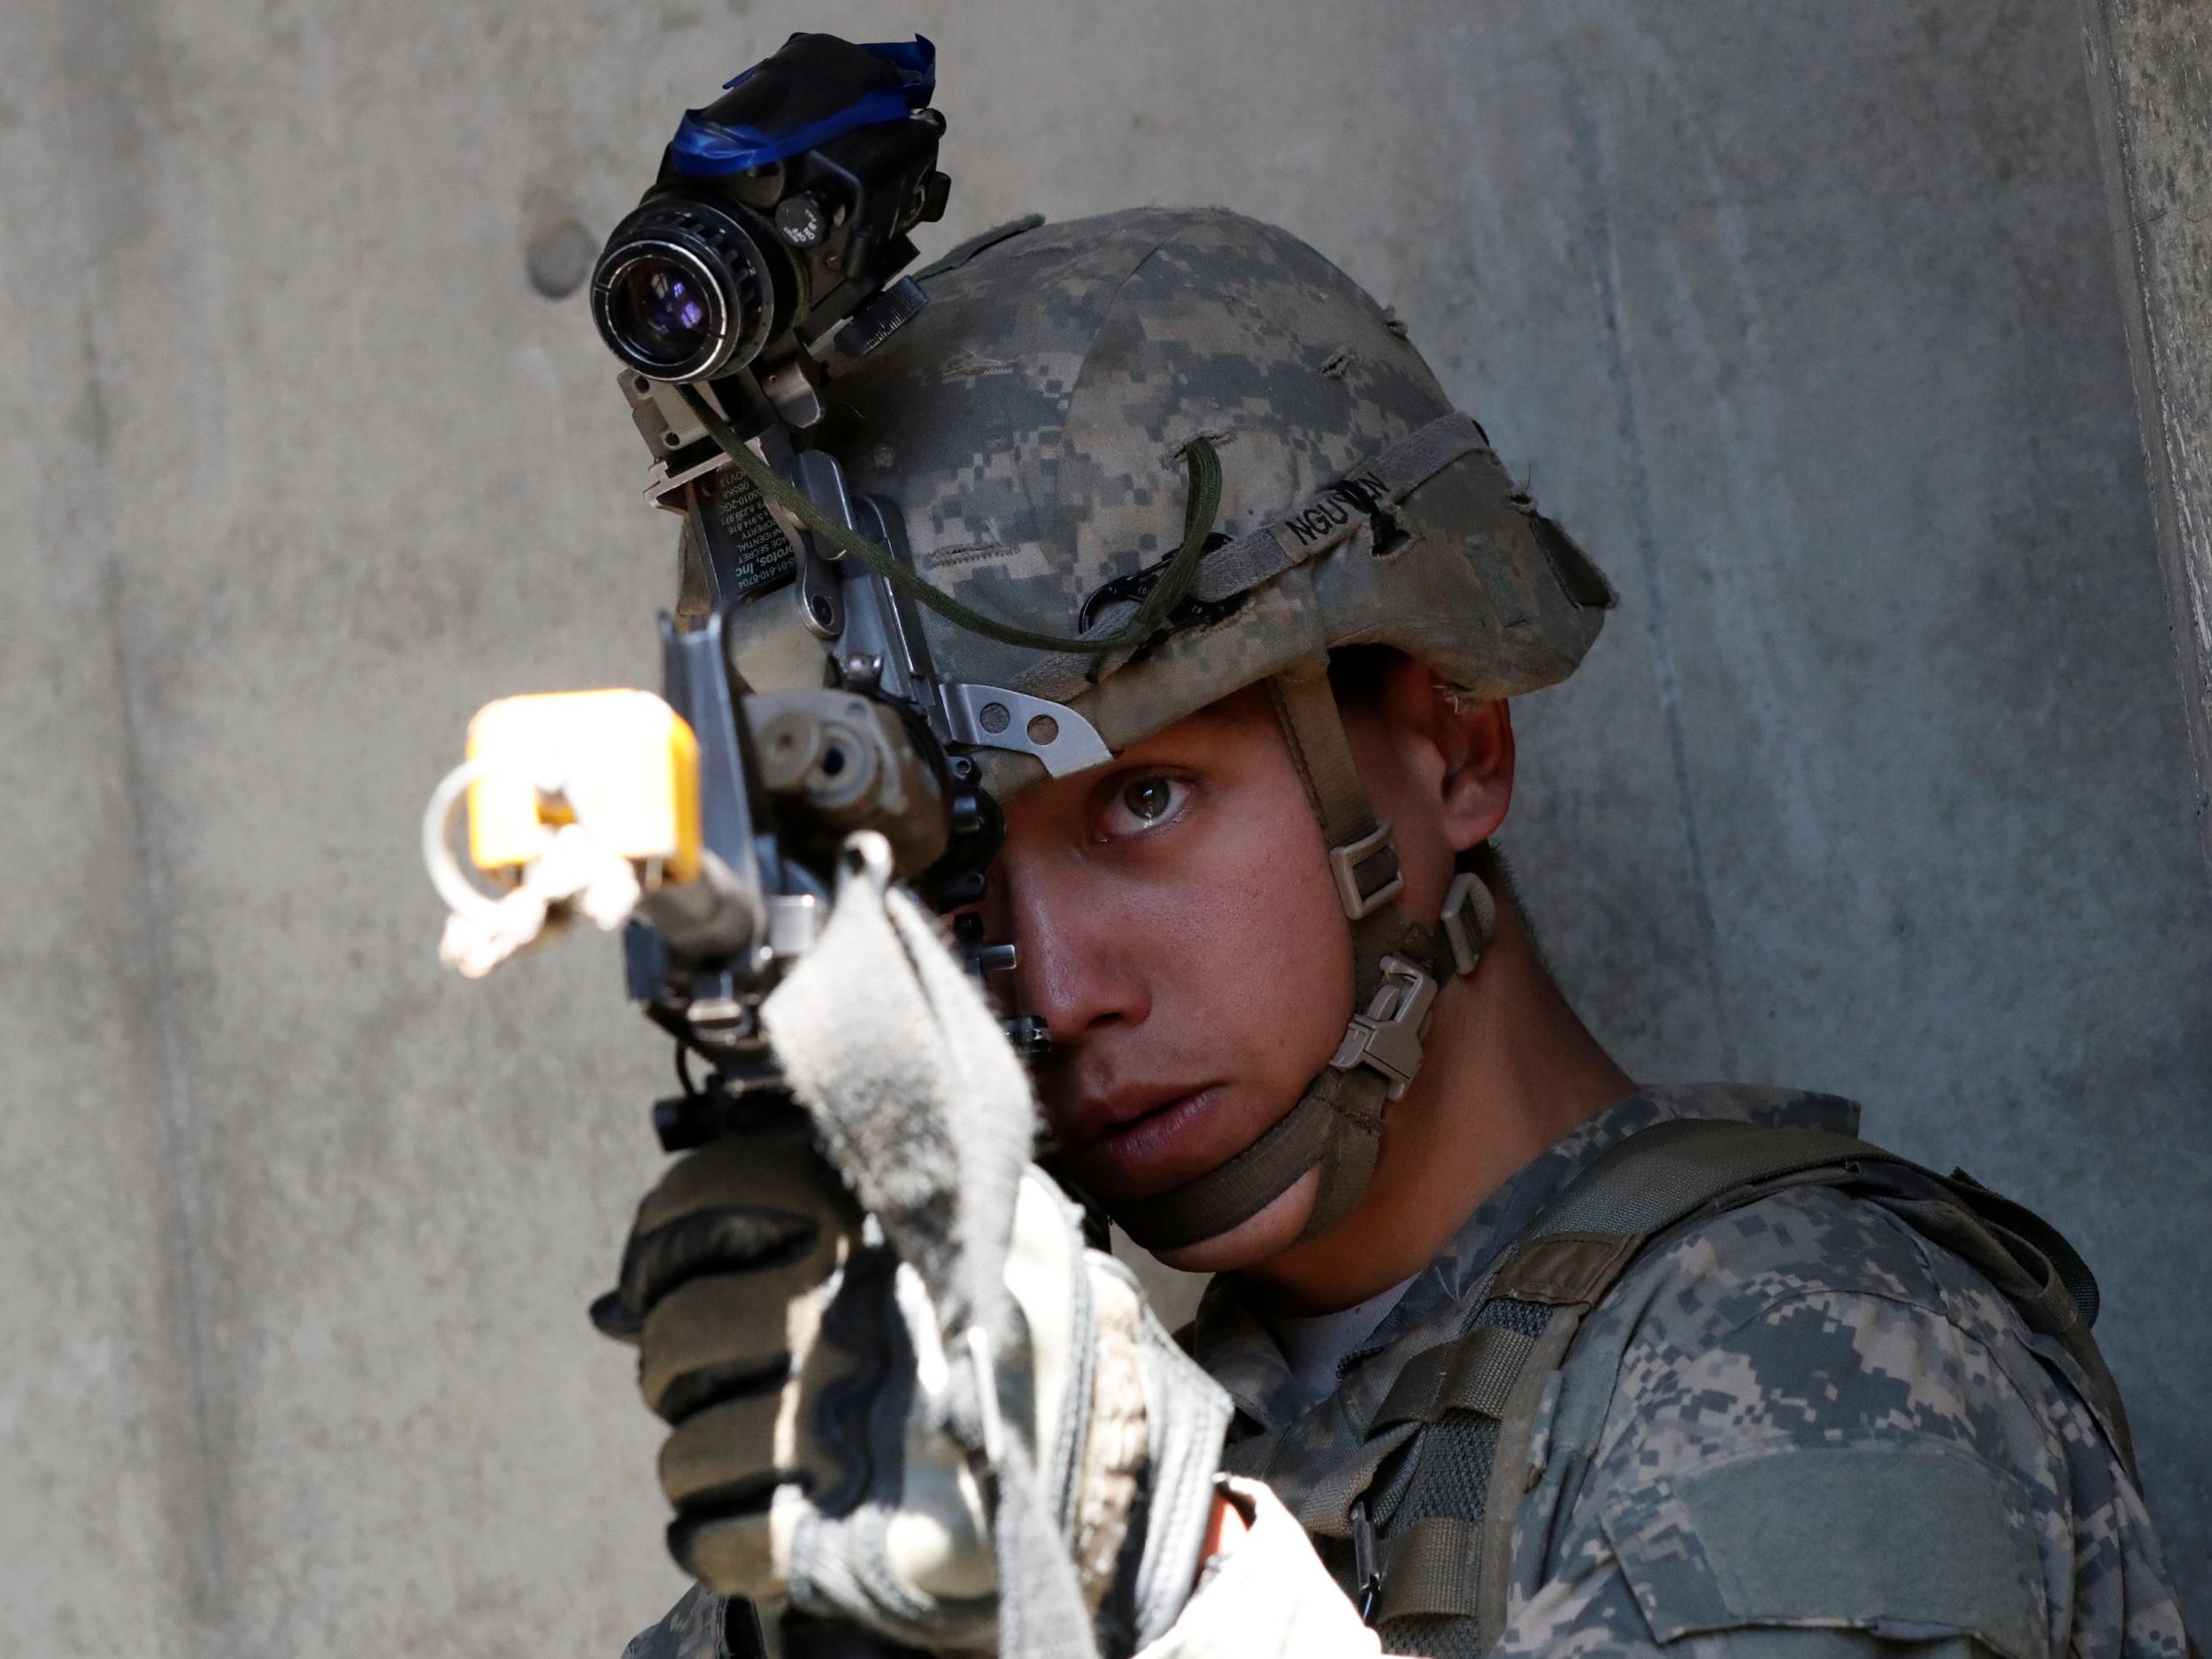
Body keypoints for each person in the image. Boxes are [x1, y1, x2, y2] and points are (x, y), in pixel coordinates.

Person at [603, 208, 2193, 1659]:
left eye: (1144, 802)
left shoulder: (1805, 1353)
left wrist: (1165, 1584)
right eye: (955, 887)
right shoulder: (1170, 1435)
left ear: (1454, 744)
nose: (1061, 989)